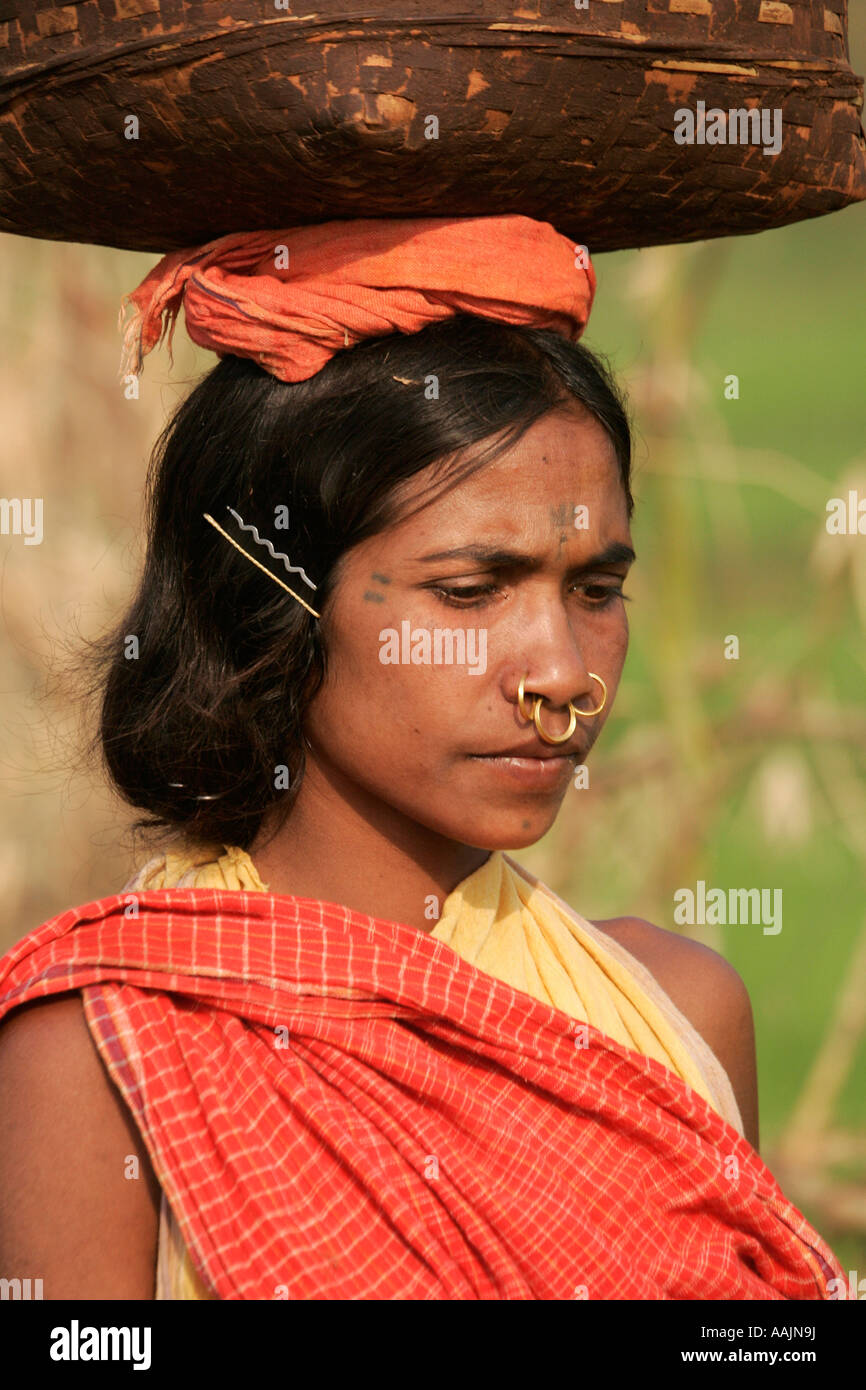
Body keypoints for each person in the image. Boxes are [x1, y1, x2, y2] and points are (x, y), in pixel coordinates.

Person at [0, 215, 844, 1300]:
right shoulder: (107, 1049)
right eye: (468, 591)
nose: (560, 673)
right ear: (276, 598)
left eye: (594, 591)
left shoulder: (672, 1020)